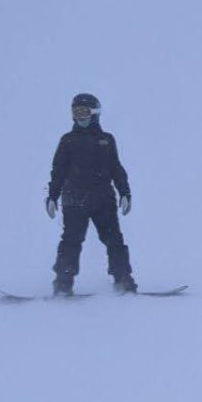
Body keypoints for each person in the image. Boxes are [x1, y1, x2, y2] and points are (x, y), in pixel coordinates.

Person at [46, 93, 137, 295]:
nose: (80, 117)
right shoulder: (68, 141)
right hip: (74, 200)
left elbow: (116, 168)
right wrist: (52, 196)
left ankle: (123, 280)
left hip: (103, 200)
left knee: (114, 241)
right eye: (76, 112)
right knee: (71, 241)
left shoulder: (106, 140)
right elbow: (58, 170)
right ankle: (63, 283)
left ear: (95, 113)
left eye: (84, 112)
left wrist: (125, 192)